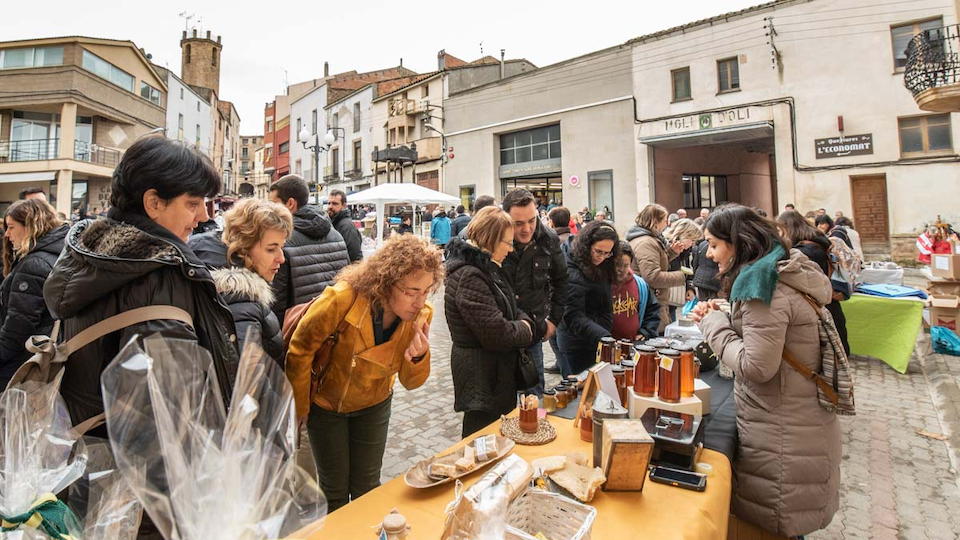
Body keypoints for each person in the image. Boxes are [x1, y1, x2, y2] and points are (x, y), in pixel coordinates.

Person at [43, 137, 240, 430]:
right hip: (136, 456)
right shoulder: (159, 279)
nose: (203, 216)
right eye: (193, 203)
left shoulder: (96, 257)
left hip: (88, 443)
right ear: (154, 203)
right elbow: (164, 415)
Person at [692, 205, 839, 538]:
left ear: (737, 243)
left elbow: (756, 366)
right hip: (799, 421)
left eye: (713, 245)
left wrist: (713, 324)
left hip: (782, 434)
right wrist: (728, 317)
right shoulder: (783, 269)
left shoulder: (763, 286)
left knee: (779, 527)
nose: (709, 255)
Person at [286, 234, 442, 511]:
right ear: (386, 282)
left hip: (375, 405)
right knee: (334, 491)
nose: (420, 302)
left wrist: (418, 357)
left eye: (426, 291)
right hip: (328, 407)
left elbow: (410, 382)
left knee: (367, 488)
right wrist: (301, 407)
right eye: (411, 292)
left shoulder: (421, 315)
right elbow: (300, 349)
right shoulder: (342, 299)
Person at [445, 207, 544, 437]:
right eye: (507, 243)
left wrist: (521, 321)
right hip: (483, 377)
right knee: (482, 438)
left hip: (494, 374)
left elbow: (513, 308)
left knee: (498, 434)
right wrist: (525, 328)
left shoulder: (489, 267)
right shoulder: (470, 275)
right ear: (490, 240)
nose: (510, 249)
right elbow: (498, 334)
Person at [190, 198, 293, 365]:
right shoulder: (240, 300)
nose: (281, 258)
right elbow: (246, 375)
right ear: (243, 248)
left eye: (281, 247)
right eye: (271, 249)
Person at [500, 189, 568, 396]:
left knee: (534, 400)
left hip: (533, 334)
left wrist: (553, 319)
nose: (527, 229)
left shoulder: (548, 239)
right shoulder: (494, 238)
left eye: (532, 220)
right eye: (518, 223)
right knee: (501, 401)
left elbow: (561, 280)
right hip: (499, 334)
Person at [0, 199, 67, 389]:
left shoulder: (34, 264)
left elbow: (19, 326)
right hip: (34, 351)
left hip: (22, 358)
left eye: (11, 227)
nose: (7, 234)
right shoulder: (54, 253)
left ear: (30, 226)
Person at [269, 175, 350, 323]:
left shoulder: (283, 240)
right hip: (334, 323)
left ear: (290, 204)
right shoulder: (337, 235)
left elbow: (278, 300)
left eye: (274, 204)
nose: (270, 210)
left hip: (300, 328)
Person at [778, 210, 851, 356]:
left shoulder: (804, 252)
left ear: (788, 228)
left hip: (819, 307)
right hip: (829, 305)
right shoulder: (818, 242)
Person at [556, 220, 620, 376]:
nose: (602, 257)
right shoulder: (570, 269)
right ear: (586, 246)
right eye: (598, 252)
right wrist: (603, 335)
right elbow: (572, 315)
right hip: (576, 344)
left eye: (607, 253)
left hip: (596, 338)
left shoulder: (604, 264)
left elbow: (604, 303)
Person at [626, 204, 687, 334]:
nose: (667, 223)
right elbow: (652, 276)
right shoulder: (646, 242)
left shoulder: (650, 240)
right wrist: (681, 277)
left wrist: (671, 252)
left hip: (654, 301)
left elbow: (654, 262)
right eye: (665, 220)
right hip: (652, 304)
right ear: (655, 221)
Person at [612, 241, 660, 342]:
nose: (621, 269)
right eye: (617, 265)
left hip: (632, 343)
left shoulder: (640, 285)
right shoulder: (601, 285)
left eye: (625, 265)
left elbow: (652, 311)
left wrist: (645, 332)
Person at [327, 189, 363, 262]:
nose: (330, 206)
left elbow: (354, 255)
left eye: (334, 204)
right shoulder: (333, 223)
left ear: (344, 206)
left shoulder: (347, 226)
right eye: (329, 203)